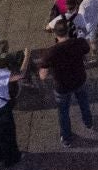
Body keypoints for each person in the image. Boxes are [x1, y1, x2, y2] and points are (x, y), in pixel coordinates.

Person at [35, 18, 94, 147]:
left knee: (63, 112)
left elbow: (43, 76)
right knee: (83, 101)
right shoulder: (79, 43)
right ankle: (88, 121)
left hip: (62, 87)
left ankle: (66, 138)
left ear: (55, 34)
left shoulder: (50, 53)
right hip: (79, 80)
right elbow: (87, 50)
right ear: (68, 31)